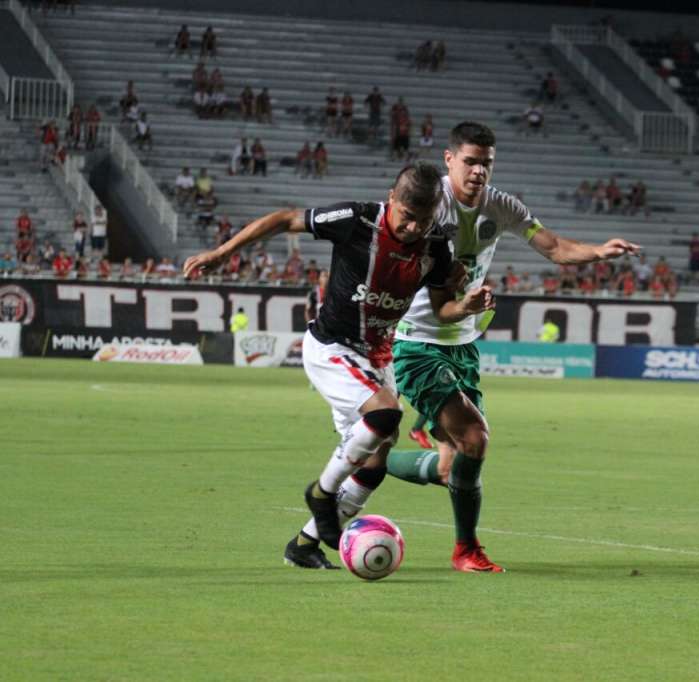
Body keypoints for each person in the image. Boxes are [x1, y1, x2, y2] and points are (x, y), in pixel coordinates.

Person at [344, 121, 639, 572]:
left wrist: (599, 251)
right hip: (417, 340)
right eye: (470, 161)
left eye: (487, 163)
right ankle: (467, 550)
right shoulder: (429, 203)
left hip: (463, 343)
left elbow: (555, 246)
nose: (479, 171)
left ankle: (371, 457)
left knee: (449, 467)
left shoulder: (502, 206)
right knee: (476, 437)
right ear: (449, 160)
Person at [182, 162, 492, 570]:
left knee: (375, 464)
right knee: (385, 414)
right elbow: (284, 218)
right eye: (407, 216)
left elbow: (442, 310)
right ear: (391, 199)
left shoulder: (436, 247)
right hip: (331, 346)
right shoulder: (356, 219)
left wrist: (464, 306)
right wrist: (222, 254)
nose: (414, 227)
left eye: (424, 219)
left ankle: (305, 545)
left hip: (379, 356)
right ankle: (323, 493)